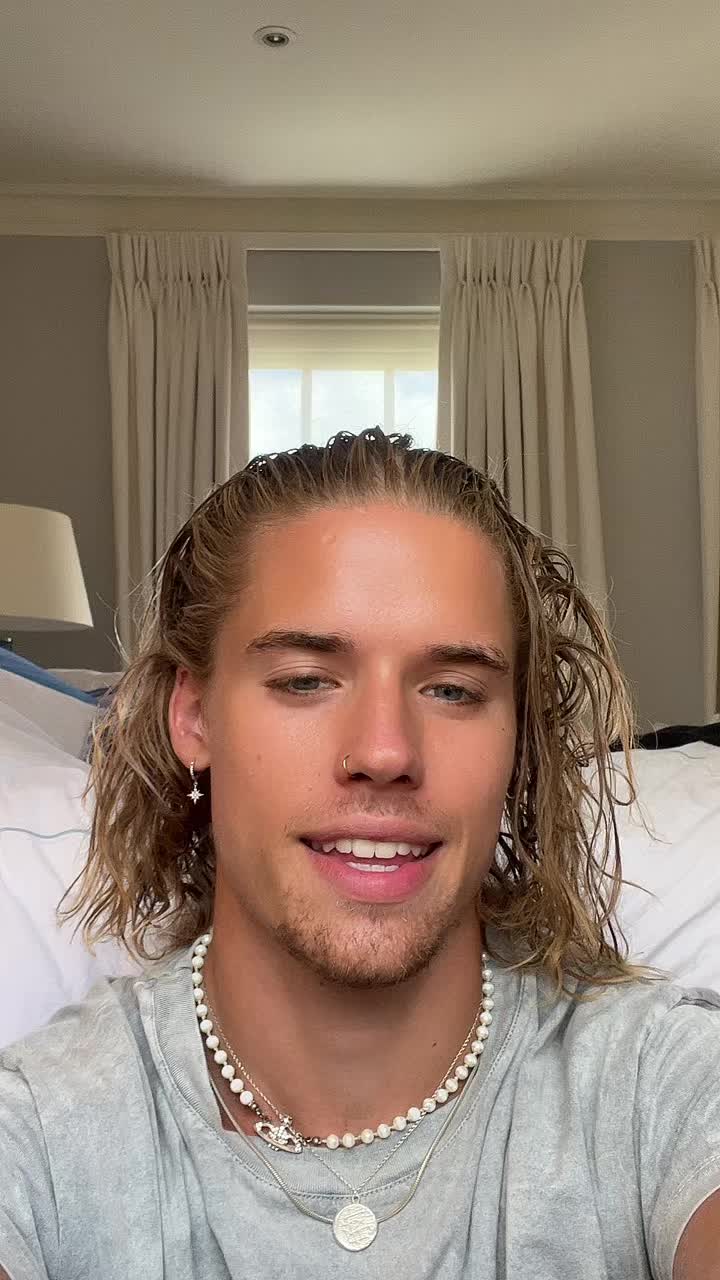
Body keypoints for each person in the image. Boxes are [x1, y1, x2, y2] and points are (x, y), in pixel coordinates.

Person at [0, 427, 718, 1280]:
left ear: (517, 740)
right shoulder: (41, 1134)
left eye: (452, 689)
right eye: (305, 680)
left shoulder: (662, 1084)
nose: (385, 750)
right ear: (193, 717)